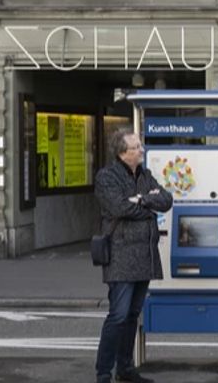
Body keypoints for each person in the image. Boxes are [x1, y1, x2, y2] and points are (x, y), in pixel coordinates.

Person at [94, 129, 173, 383]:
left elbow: (166, 200)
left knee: (132, 315)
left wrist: (141, 201)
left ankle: (125, 368)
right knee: (118, 315)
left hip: (145, 255)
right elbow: (119, 207)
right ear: (122, 153)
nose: (142, 150)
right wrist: (146, 204)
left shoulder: (145, 174)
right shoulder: (107, 177)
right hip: (121, 255)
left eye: (140, 145)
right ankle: (104, 372)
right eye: (136, 147)